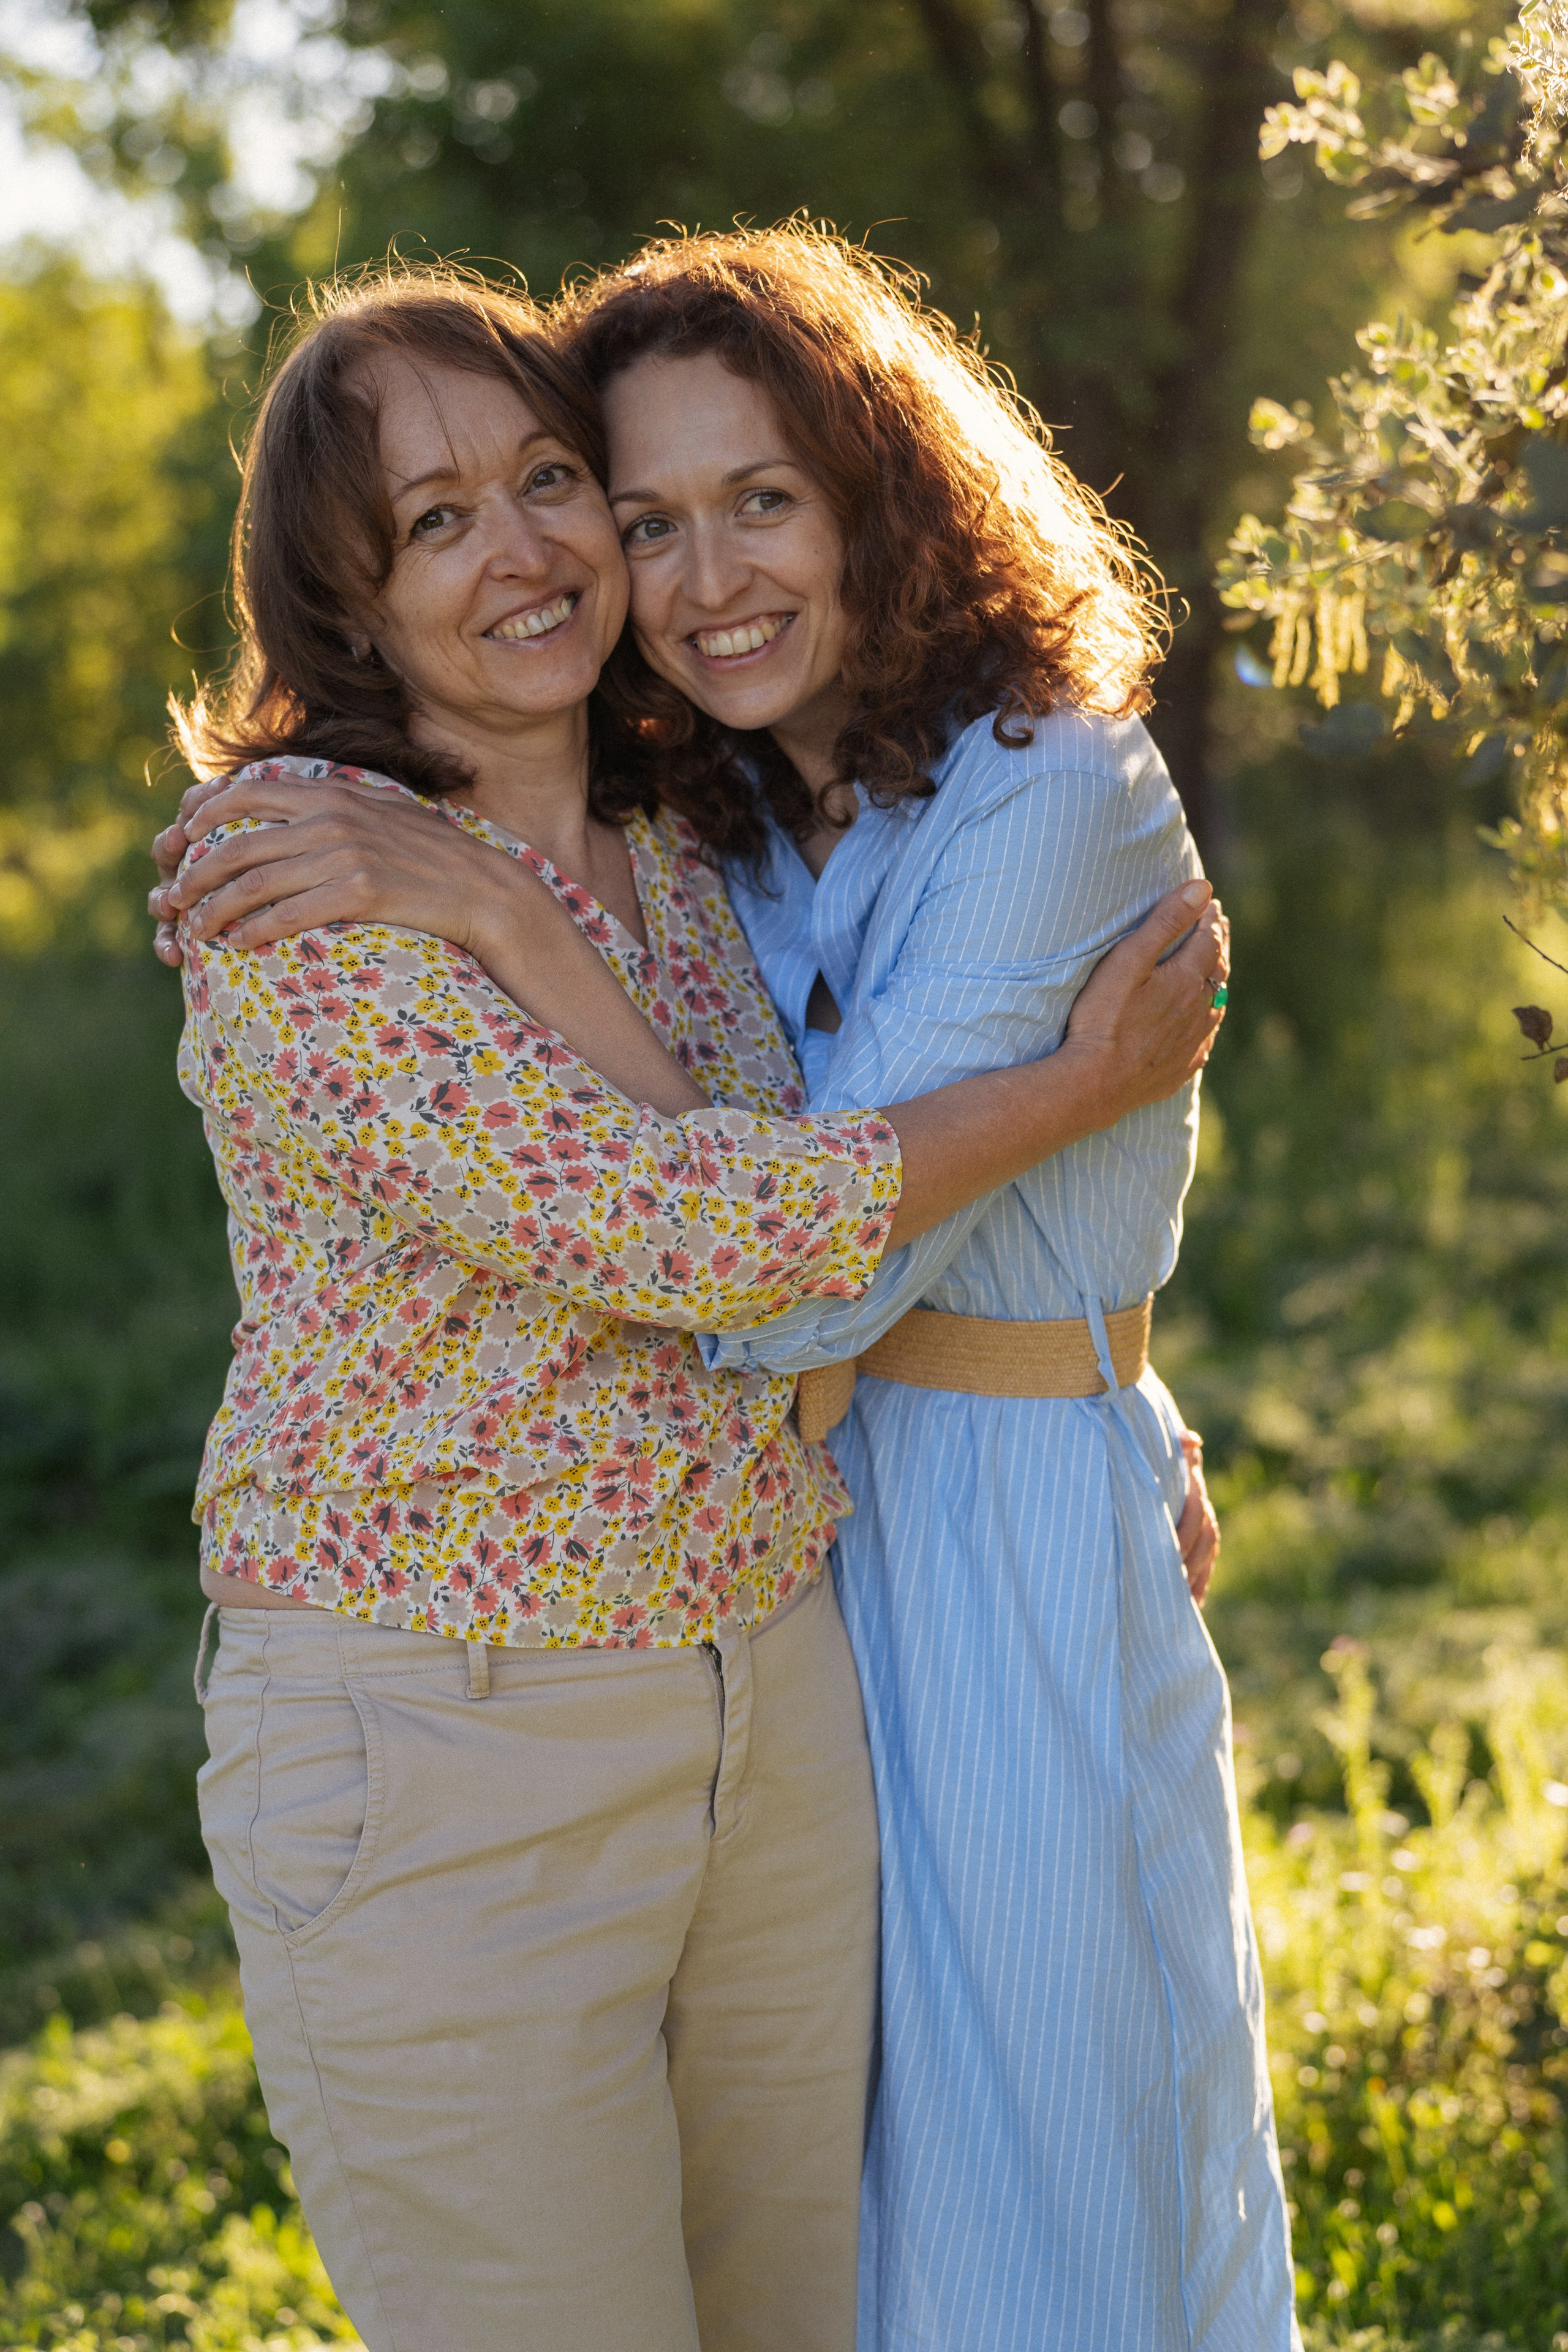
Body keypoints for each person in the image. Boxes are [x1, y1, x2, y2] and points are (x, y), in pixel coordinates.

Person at [155, 268, 1227, 2352]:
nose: (534, 547)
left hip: (771, 1718)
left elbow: (832, 1199)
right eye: (436, 520)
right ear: (350, 604)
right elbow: (696, 1234)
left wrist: (1094, 1378)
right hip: (451, 1745)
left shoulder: (688, 840)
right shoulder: (308, 888)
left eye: (553, 481)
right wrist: (1079, 1090)